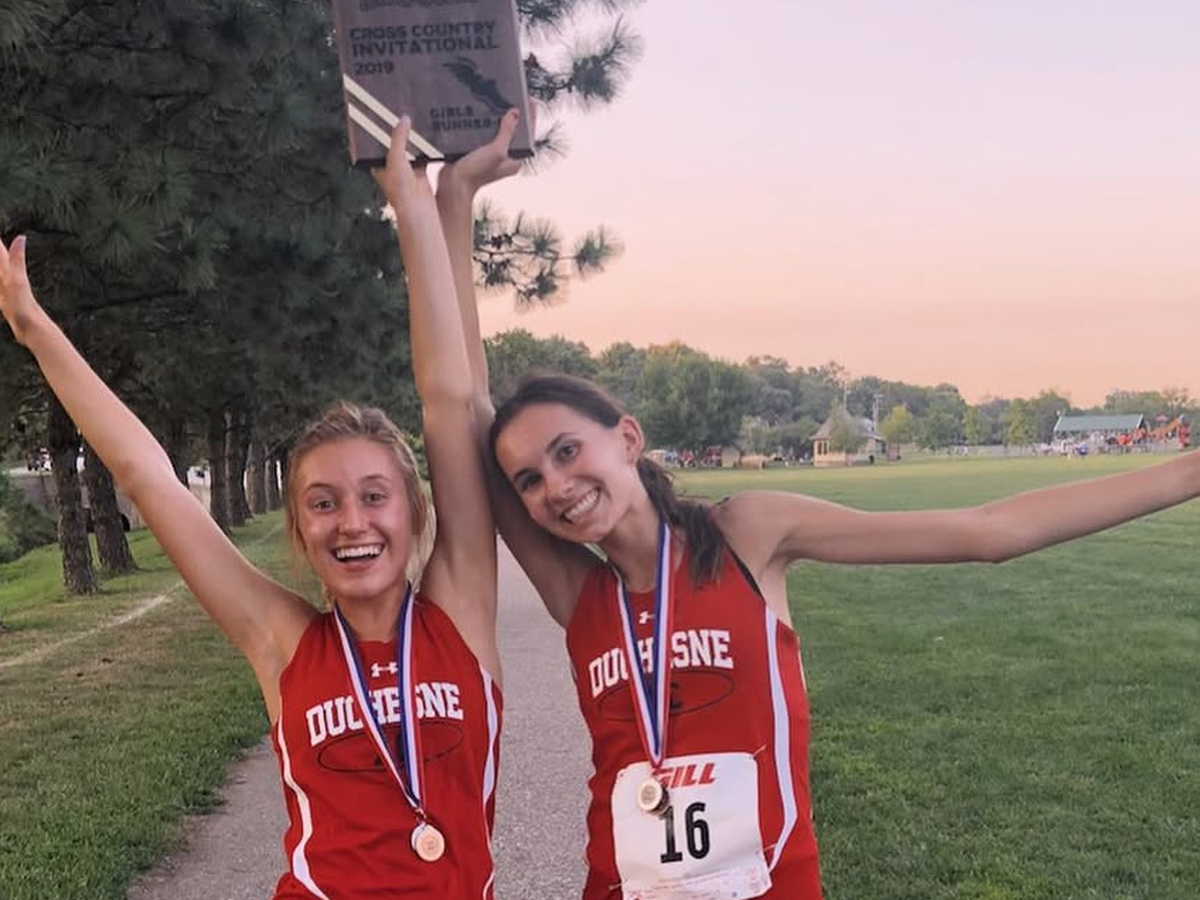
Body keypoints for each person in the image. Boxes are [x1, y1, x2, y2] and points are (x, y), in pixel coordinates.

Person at [429, 119, 1200, 899]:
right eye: (528, 479)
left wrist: (1189, 472)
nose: (555, 486)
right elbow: (463, 411)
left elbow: (988, 533)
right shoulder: (579, 593)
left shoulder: (746, 535)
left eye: (567, 451)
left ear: (627, 438)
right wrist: (453, 202)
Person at [0, 119, 503, 899]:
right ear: (299, 529)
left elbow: (451, 399)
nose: (353, 522)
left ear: (415, 511)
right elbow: (148, 478)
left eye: (375, 497)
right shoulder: (284, 642)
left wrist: (419, 208)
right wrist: (36, 331)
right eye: (323, 503)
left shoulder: (460, 614)